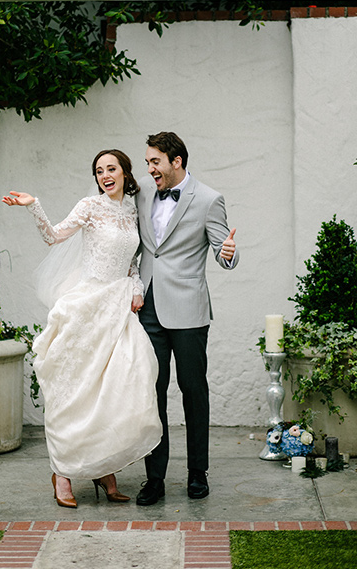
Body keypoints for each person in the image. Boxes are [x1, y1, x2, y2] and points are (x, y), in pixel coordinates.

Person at [3, 149, 161, 509]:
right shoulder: (90, 206)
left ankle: (104, 467)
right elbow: (54, 236)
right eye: (99, 171)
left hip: (118, 307)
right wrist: (33, 205)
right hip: (87, 305)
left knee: (119, 388)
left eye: (111, 169)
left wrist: (136, 288)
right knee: (75, 390)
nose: (105, 175)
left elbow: (134, 263)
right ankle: (62, 472)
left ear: (124, 172)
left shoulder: (134, 210)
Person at [135, 131, 239, 506]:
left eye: (155, 162)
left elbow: (222, 251)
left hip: (190, 310)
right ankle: (155, 478)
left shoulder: (209, 199)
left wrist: (229, 252)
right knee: (152, 392)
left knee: (193, 391)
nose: (149, 170)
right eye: (147, 162)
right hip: (147, 307)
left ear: (176, 161)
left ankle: (198, 473)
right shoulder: (143, 192)